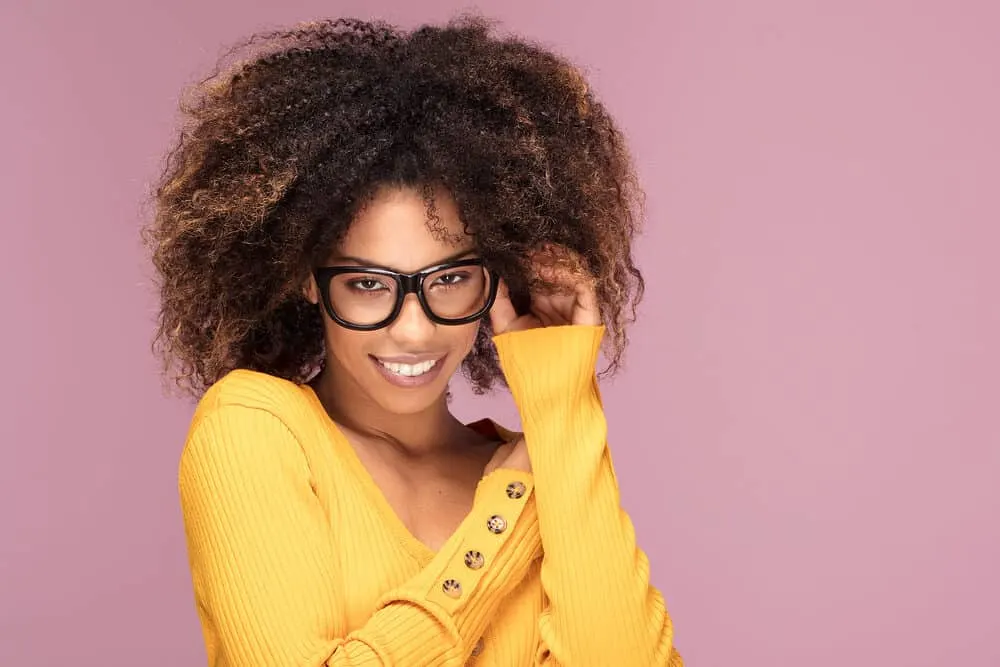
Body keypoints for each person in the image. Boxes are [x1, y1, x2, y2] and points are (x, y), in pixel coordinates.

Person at [147, 15, 682, 667]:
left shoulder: (543, 470)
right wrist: (505, 518)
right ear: (309, 279)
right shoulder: (255, 428)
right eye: (369, 283)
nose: (415, 327)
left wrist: (560, 396)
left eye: (451, 277)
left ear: (497, 276)